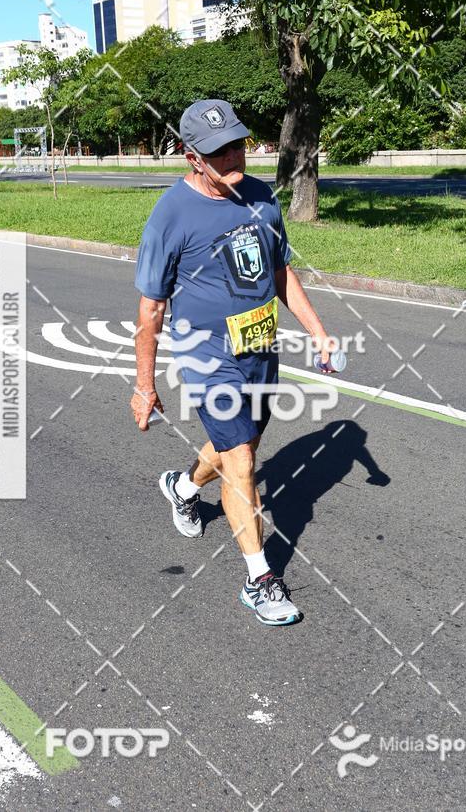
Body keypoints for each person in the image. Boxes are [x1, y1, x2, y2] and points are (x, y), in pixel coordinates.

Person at [131, 99, 336, 626]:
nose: (233, 157)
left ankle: (182, 487)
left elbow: (280, 269)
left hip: (260, 347)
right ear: (191, 156)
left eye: (238, 144)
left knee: (241, 444)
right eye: (219, 151)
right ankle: (259, 581)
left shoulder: (261, 196)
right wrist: (144, 385)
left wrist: (317, 331)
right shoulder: (170, 216)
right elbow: (151, 309)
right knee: (241, 461)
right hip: (205, 353)